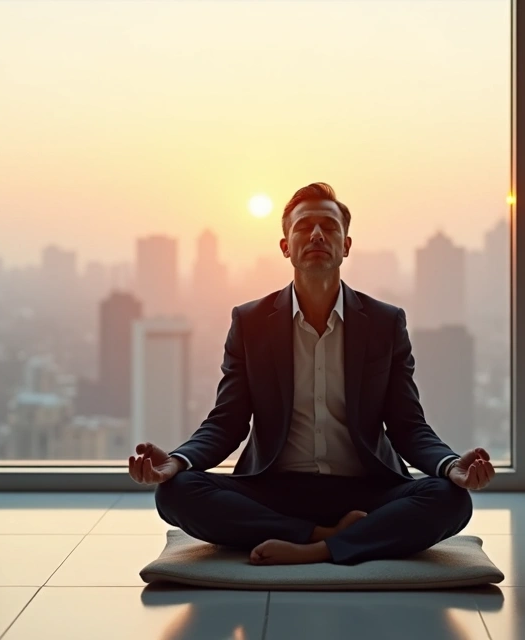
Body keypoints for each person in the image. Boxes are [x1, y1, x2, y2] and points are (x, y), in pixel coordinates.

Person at [128, 182, 496, 566]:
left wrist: (450, 465)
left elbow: (408, 426)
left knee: (451, 499)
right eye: (304, 226)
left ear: (346, 245)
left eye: (329, 227)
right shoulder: (251, 321)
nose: (317, 234)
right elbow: (227, 422)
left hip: (366, 488)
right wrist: (178, 461)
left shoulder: (384, 322)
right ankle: (329, 536)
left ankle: (311, 548)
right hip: (275, 487)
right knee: (175, 492)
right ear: (285, 246)